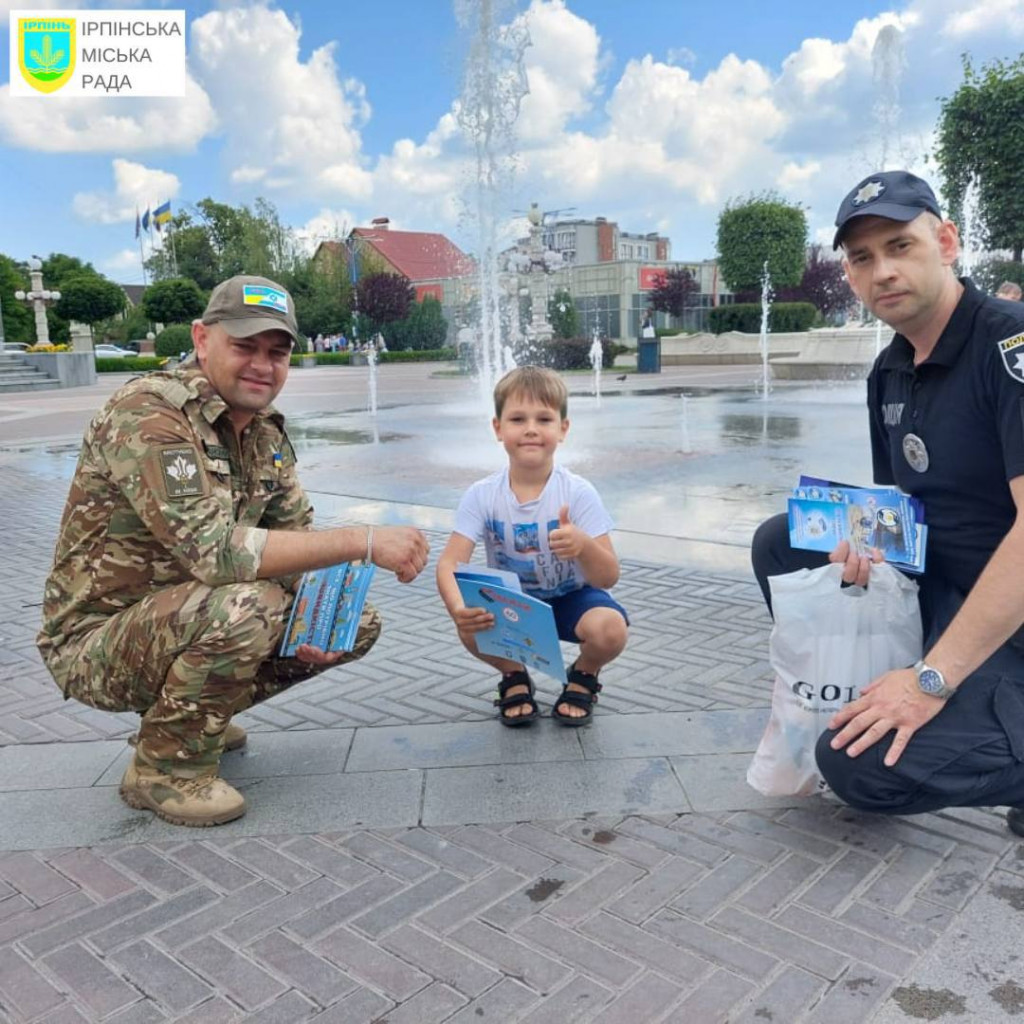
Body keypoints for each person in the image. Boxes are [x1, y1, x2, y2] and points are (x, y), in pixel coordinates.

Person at [37, 275, 430, 827]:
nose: (262, 366)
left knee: (349, 620)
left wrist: (317, 621)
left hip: (179, 617)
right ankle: (163, 770)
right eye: (244, 346)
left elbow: (296, 534)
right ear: (202, 340)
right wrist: (364, 540)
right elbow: (214, 553)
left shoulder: (264, 431)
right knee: (249, 606)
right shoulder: (150, 416)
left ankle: (194, 717)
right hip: (94, 642)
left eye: (277, 351)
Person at [751, 170, 1024, 835]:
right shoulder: (889, 371)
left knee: (859, 770)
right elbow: (905, 511)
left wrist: (930, 681)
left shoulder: (1009, 343)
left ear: (947, 242)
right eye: (862, 258)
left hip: (1011, 611)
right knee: (783, 543)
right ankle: (900, 687)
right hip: (951, 586)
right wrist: (867, 559)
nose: (883, 271)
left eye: (900, 246)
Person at [436, 366, 628, 726]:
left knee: (611, 629)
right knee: (470, 625)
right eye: (517, 418)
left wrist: (583, 545)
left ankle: (585, 674)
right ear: (498, 428)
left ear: (563, 429)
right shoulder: (482, 495)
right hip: (515, 604)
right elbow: (449, 563)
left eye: (544, 418)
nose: (530, 429)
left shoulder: (577, 492)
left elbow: (608, 577)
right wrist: (458, 608)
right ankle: (514, 676)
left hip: (573, 599)